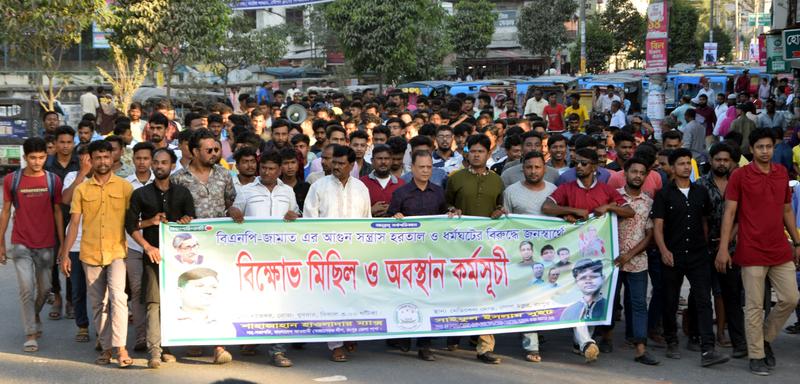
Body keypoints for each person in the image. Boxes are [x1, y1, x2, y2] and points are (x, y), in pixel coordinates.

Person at [715, 129, 800, 376]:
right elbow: (730, 213)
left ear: (774, 148)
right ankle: (757, 355)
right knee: (754, 306)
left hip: (779, 247)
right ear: (751, 150)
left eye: (769, 147)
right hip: (750, 248)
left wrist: (796, 242)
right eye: (760, 147)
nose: (765, 151)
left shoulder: (782, 173)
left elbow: (786, 210)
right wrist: (723, 248)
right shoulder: (740, 175)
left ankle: (762, 339)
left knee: (790, 298)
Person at [541, 147, 634, 362]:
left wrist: (610, 206)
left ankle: (583, 340)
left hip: (600, 254)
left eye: (584, 163)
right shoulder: (566, 188)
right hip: (573, 255)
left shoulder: (606, 190)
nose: (579, 167)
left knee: (593, 296)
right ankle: (585, 342)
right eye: (576, 163)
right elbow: (547, 207)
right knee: (578, 295)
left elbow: (629, 211)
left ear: (595, 166)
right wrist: (569, 211)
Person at [651, 148, 730, 367]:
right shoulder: (664, 194)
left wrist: (704, 246)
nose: (686, 167)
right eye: (681, 163)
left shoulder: (700, 192)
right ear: (673, 168)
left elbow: (704, 220)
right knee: (670, 299)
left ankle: (708, 349)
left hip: (697, 254)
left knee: (704, 301)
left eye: (689, 163)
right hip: (673, 255)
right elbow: (658, 226)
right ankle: (672, 341)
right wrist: (664, 251)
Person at [61, 140, 134, 368]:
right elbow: (74, 224)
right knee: (98, 303)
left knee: (118, 298)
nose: (102, 162)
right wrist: (64, 254)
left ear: (113, 159)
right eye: (98, 158)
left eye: (106, 157)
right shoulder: (82, 189)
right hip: (89, 253)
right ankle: (106, 348)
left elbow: (133, 220)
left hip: (117, 252)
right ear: (90, 161)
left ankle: (121, 348)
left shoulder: (124, 187)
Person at [170, 129, 236, 364]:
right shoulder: (178, 178)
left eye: (217, 149)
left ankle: (219, 345)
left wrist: (234, 212)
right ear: (195, 151)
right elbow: (173, 213)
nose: (214, 154)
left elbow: (231, 201)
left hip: (218, 244)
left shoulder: (225, 175)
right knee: (193, 290)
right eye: (209, 150)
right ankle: (194, 340)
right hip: (190, 246)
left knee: (216, 291)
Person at [126, 148, 194, 368]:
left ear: (173, 166)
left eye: (164, 163)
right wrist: (147, 244)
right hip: (153, 257)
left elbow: (193, 223)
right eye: (156, 162)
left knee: (175, 302)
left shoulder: (183, 193)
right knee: (153, 303)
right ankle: (154, 350)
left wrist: (186, 220)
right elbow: (130, 226)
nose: (159, 166)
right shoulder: (140, 194)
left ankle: (168, 346)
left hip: (179, 260)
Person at [229, 150, 297, 367]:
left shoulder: (287, 191)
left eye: (271, 169)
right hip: (253, 256)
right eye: (263, 168)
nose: (266, 172)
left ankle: (277, 350)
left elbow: (297, 215)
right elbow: (234, 211)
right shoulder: (247, 190)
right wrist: (234, 212)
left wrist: (295, 215)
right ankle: (252, 339)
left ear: (279, 170)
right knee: (254, 300)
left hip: (280, 256)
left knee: (279, 303)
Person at [304, 144, 370, 362]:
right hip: (327, 254)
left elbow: (367, 222)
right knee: (332, 298)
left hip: (354, 253)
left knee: (352, 296)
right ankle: (336, 345)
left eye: (342, 164)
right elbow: (309, 221)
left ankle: (349, 333)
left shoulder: (361, 188)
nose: (337, 167)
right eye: (334, 163)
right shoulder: (318, 187)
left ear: (352, 165)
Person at [444, 134, 506, 364]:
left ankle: (485, 346)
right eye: (473, 151)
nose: (477, 155)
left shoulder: (497, 181)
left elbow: (500, 207)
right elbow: (446, 204)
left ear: (489, 154)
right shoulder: (455, 178)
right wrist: (451, 209)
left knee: (485, 295)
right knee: (457, 291)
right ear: (467, 153)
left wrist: (499, 212)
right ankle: (452, 336)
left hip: (486, 249)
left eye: (481, 151)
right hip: (458, 247)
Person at [0, 137, 64, 353]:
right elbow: (6, 211)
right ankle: (30, 333)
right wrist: (1, 242)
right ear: (25, 157)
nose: (37, 162)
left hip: (46, 244)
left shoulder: (53, 180)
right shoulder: (12, 180)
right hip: (21, 243)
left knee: (45, 289)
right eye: (33, 158)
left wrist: (62, 245)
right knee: (26, 288)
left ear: (46, 156)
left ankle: (35, 314)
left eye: (41, 157)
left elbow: (57, 211)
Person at [387, 149, 450, 361]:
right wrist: (395, 217)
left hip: (431, 256)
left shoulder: (439, 192)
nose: (425, 171)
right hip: (406, 256)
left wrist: (452, 214)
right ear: (412, 168)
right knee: (405, 296)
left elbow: (444, 219)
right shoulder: (401, 193)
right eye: (421, 167)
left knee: (427, 298)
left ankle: (425, 345)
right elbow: (388, 223)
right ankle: (404, 335)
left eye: (429, 167)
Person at [501, 150, 557, 364]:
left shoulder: (554, 190)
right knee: (528, 298)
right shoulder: (511, 192)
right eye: (529, 167)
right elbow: (504, 224)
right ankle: (531, 344)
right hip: (523, 256)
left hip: (549, 255)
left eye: (537, 167)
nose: (533, 171)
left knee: (545, 297)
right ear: (522, 168)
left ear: (545, 169)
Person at [614, 157, 660, 365]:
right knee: (611, 301)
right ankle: (604, 338)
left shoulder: (649, 202)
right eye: (634, 172)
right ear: (625, 173)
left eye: (642, 173)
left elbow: (650, 235)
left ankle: (641, 348)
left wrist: (630, 254)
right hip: (612, 261)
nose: (638, 176)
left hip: (637, 261)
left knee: (639, 303)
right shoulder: (614, 198)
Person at [123, 142, 156, 353]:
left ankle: (158, 337)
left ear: (152, 161)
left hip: (158, 246)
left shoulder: (161, 182)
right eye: (138, 158)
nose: (142, 162)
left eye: (146, 158)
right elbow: (125, 219)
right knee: (136, 291)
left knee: (156, 293)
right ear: (132, 160)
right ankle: (141, 336)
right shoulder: (126, 185)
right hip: (133, 246)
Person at [44, 126, 78, 321]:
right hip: (50, 218)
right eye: (62, 142)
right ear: (55, 144)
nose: (65, 146)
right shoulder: (47, 165)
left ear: (73, 144)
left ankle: (71, 300)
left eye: (68, 142)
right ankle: (56, 296)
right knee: (52, 262)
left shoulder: (80, 164)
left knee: (70, 258)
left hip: (75, 218)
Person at [360, 144, 404, 217]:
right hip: (368, 227)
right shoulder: (362, 183)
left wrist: (392, 211)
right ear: (372, 161)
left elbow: (407, 210)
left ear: (391, 161)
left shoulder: (401, 184)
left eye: (386, 158)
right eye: (379, 158)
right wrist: (370, 210)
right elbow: (354, 211)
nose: (383, 162)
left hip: (394, 227)